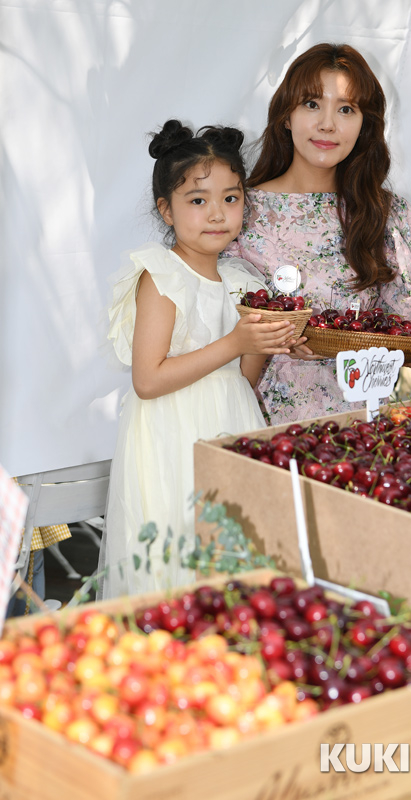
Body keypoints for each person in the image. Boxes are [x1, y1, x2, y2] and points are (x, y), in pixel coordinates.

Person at [98, 120, 296, 597]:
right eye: (197, 200)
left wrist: (268, 340)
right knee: (177, 547)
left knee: (228, 550)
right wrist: (234, 343)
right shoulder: (162, 276)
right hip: (171, 432)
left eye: (231, 198)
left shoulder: (243, 281)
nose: (216, 214)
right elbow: (148, 378)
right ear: (166, 210)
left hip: (230, 422)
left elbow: (243, 377)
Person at [223, 43, 411, 425]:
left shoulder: (387, 217)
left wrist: (403, 348)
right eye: (312, 104)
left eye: (346, 109)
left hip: (354, 433)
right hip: (252, 427)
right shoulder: (239, 211)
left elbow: (402, 334)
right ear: (286, 116)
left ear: (364, 125)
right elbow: (204, 326)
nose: (328, 124)